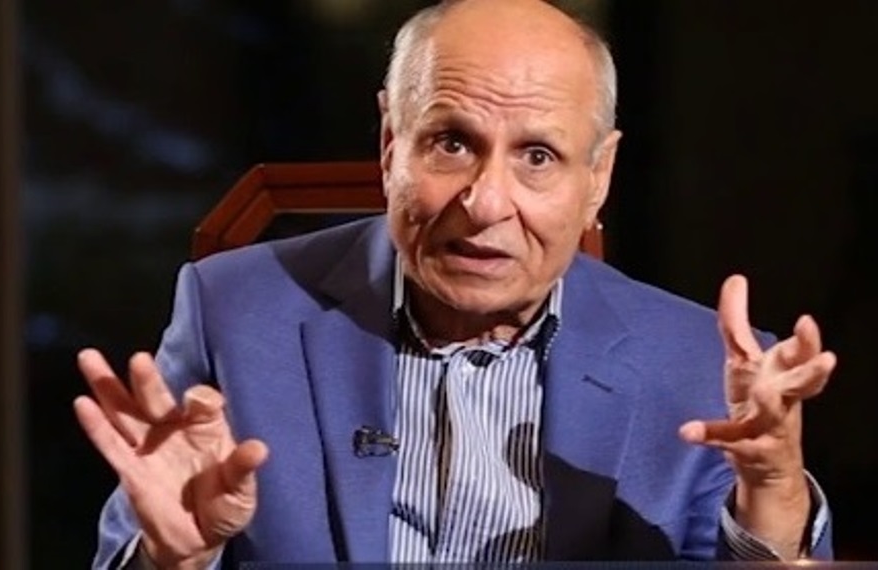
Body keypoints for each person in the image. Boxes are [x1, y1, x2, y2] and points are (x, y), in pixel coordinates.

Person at [75, 0, 837, 567]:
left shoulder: (702, 369)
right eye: (451, 143)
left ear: (598, 176)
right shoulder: (234, 312)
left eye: (537, 156)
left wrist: (773, 493)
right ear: (390, 145)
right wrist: (174, 560)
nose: (486, 202)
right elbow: (145, 544)